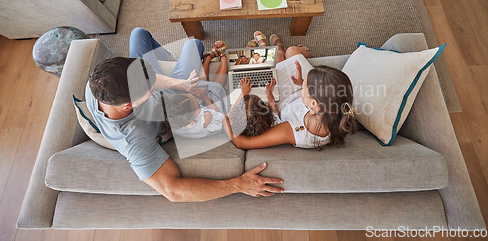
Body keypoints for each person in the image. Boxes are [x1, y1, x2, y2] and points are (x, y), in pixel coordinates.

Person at [85, 27, 284, 202]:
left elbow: (151, 80)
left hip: (181, 87)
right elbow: (174, 191)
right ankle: (172, 66)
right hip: (182, 98)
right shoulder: (135, 141)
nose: (153, 80)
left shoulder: (99, 82)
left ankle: (167, 62)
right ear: (129, 106)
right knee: (195, 46)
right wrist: (238, 185)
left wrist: (179, 84)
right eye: (149, 85)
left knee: (141, 34)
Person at [224, 32, 357, 150]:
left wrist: (226, 119)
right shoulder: (336, 107)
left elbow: (241, 143)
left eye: (304, 85)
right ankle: (287, 49)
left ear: (313, 103)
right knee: (293, 52)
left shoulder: (292, 130)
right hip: (295, 100)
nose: (302, 83)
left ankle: (279, 48)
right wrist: (301, 83)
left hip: (285, 103)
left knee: (279, 60)